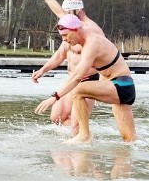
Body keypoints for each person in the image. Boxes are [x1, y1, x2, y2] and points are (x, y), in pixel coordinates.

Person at [50, 14, 136, 143]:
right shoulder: (87, 41)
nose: (65, 40)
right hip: (122, 88)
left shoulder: (92, 43)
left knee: (78, 90)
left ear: (76, 29)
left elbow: (77, 76)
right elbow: (61, 12)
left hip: (120, 86)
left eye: (65, 35)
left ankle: (84, 135)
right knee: (129, 140)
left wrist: (55, 96)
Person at [32, 39, 97, 134]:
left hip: (87, 82)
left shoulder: (90, 41)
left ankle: (81, 138)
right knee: (57, 117)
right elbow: (60, 55)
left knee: (75, 124)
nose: (64, 37)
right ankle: (81, 134)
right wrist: (42, 70)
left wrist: (54, 97)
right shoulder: (68, 38)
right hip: (71, 80)